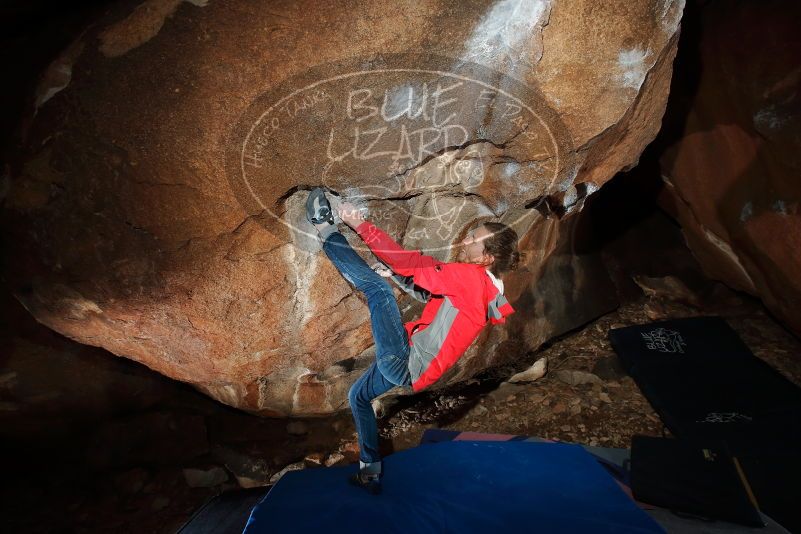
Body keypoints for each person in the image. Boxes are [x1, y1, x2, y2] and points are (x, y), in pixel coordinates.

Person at [305, 187, 520, 494]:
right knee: (359, 397)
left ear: (487, 258)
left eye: (474, 240)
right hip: (412, 370)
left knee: (378, 291)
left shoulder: (472, 279)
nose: (466, 240)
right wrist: (395, 274)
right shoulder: (485, 290)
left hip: (405, 361)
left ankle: (325, 229)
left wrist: (359, 225)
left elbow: (410, 263)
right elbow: (432, 294)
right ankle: (370, 472)